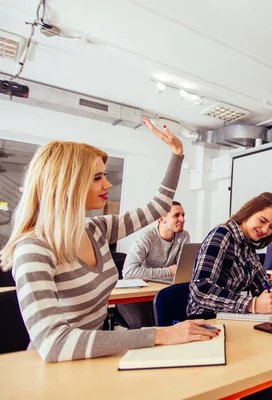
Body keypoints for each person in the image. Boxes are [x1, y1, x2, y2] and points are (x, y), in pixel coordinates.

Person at [0, 117, 219, 363]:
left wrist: (177, 154)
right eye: (96, 178)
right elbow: (54, 344)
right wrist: (158, 335)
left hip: (94, 358)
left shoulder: (96, 229)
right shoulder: (33, 249)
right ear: (66, 185)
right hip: (55, 370)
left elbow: (158, 207)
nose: (108, 183)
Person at [187, 192, 272, 400]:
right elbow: (200, 290)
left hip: (233, 321)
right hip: (208, 323)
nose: (265, 230)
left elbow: (262, 282)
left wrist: (271, 294)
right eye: (262, 221)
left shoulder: (247, 246)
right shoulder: (222, 235)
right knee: (269, 377)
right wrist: (252, 303)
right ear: (248, 213)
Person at [119, 201, 190, 328]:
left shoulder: (183, 236)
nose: (182, 219)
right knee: (145, 326)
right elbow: (129, 272)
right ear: (161, 218)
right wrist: (168, 271)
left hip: (159, 291)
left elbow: (180, 270)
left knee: (176, 320)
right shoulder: (147, 237)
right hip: (135, 294)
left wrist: (175, 271)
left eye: (183, 215)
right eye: (176, 215)